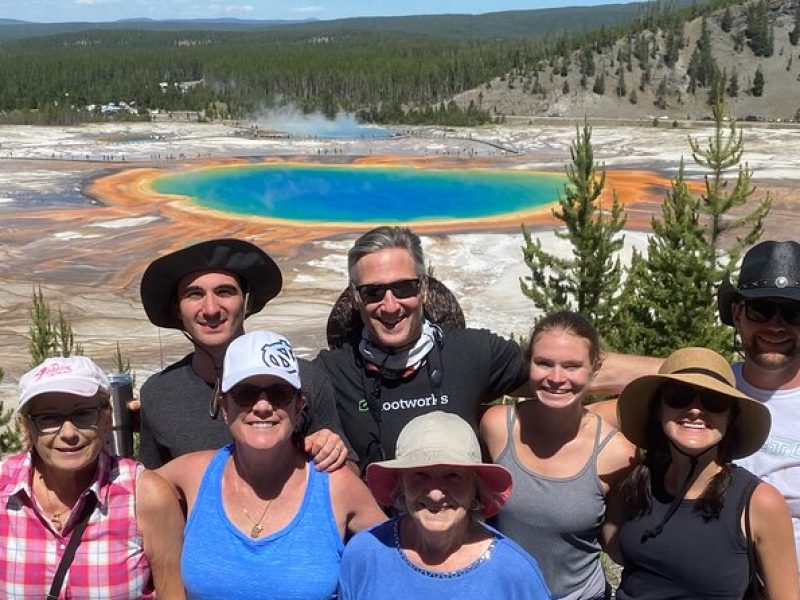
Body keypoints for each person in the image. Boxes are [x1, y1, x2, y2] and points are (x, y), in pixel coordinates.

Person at [157, 330, 386, 600]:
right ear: (224, 407)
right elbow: (120, 495)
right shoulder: (190, 475)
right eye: (245, 393)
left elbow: (398, 559)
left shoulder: (335, 485)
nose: (263, 406)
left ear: (299, 406)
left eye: (279, 393)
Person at [313, 226, 529, 473]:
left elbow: (558, 379)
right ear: (355, 297)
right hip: (374, 512)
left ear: (423, 289)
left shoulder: (472, 352)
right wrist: (315, 438)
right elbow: (271, 412)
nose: (390, 306)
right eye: (373, 292)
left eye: (404, 288)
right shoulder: (331, 372)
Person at [602, 347, 799, 598]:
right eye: (678, 396)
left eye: (714, 401)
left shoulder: (759, 503)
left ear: (730, 418)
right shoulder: (637, 484)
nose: (696, 410)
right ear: (658, 409)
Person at [139, 238, 349, 470]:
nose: (210, 309)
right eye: (194, 294)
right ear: (178, 310)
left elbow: (347, 473)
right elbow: (155, 486)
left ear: (247, 302)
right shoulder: (158, 394)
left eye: (225, 292)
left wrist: (331, 452)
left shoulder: (305, 379)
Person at [481, 311, 637, 599]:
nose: (556, 378)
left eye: (572, 366)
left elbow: (618, 545)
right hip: (501, 592)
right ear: (528, 363)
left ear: (594, 368)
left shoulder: (616, 453)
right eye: (544, 363)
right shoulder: (497, 427)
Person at [0, 356, 184, 599]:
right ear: (26, 427)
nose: (68, 433)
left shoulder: (146, 496)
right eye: (49, 418)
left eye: (84, 414)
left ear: (106, 420)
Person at [339, 411, 551, 599]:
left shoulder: (514, 572)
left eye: (452, 475)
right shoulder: (366, 553)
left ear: (475, 487)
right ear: (400, 483)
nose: (435, 493)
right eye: (419, 474)